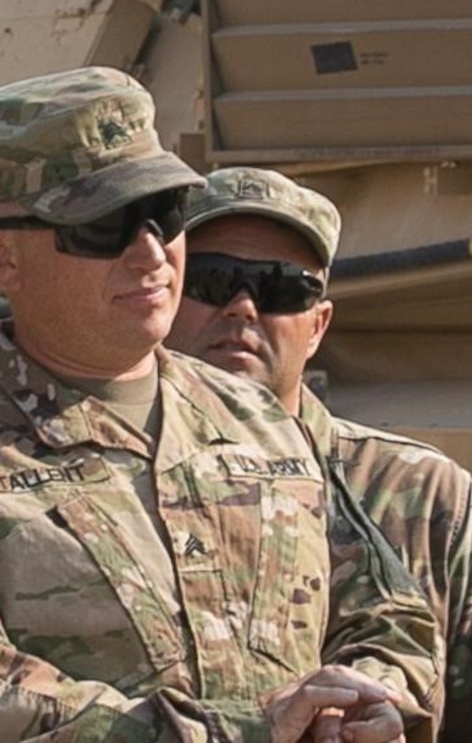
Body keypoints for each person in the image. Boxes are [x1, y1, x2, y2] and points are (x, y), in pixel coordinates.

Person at [0, 67, 438, 742]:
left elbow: (388, 611)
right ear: (7, 259)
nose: (150, 252)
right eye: (102, 226)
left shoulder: (260, 422)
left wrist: (367, 695)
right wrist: (232, 732)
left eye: (165, 214)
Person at [166, 166, 472, 743]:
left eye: (280, 287)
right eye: (213, 279)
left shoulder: (422, 498)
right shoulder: (95, 486)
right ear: (162, 290)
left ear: (318, 325)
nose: (244, 307)